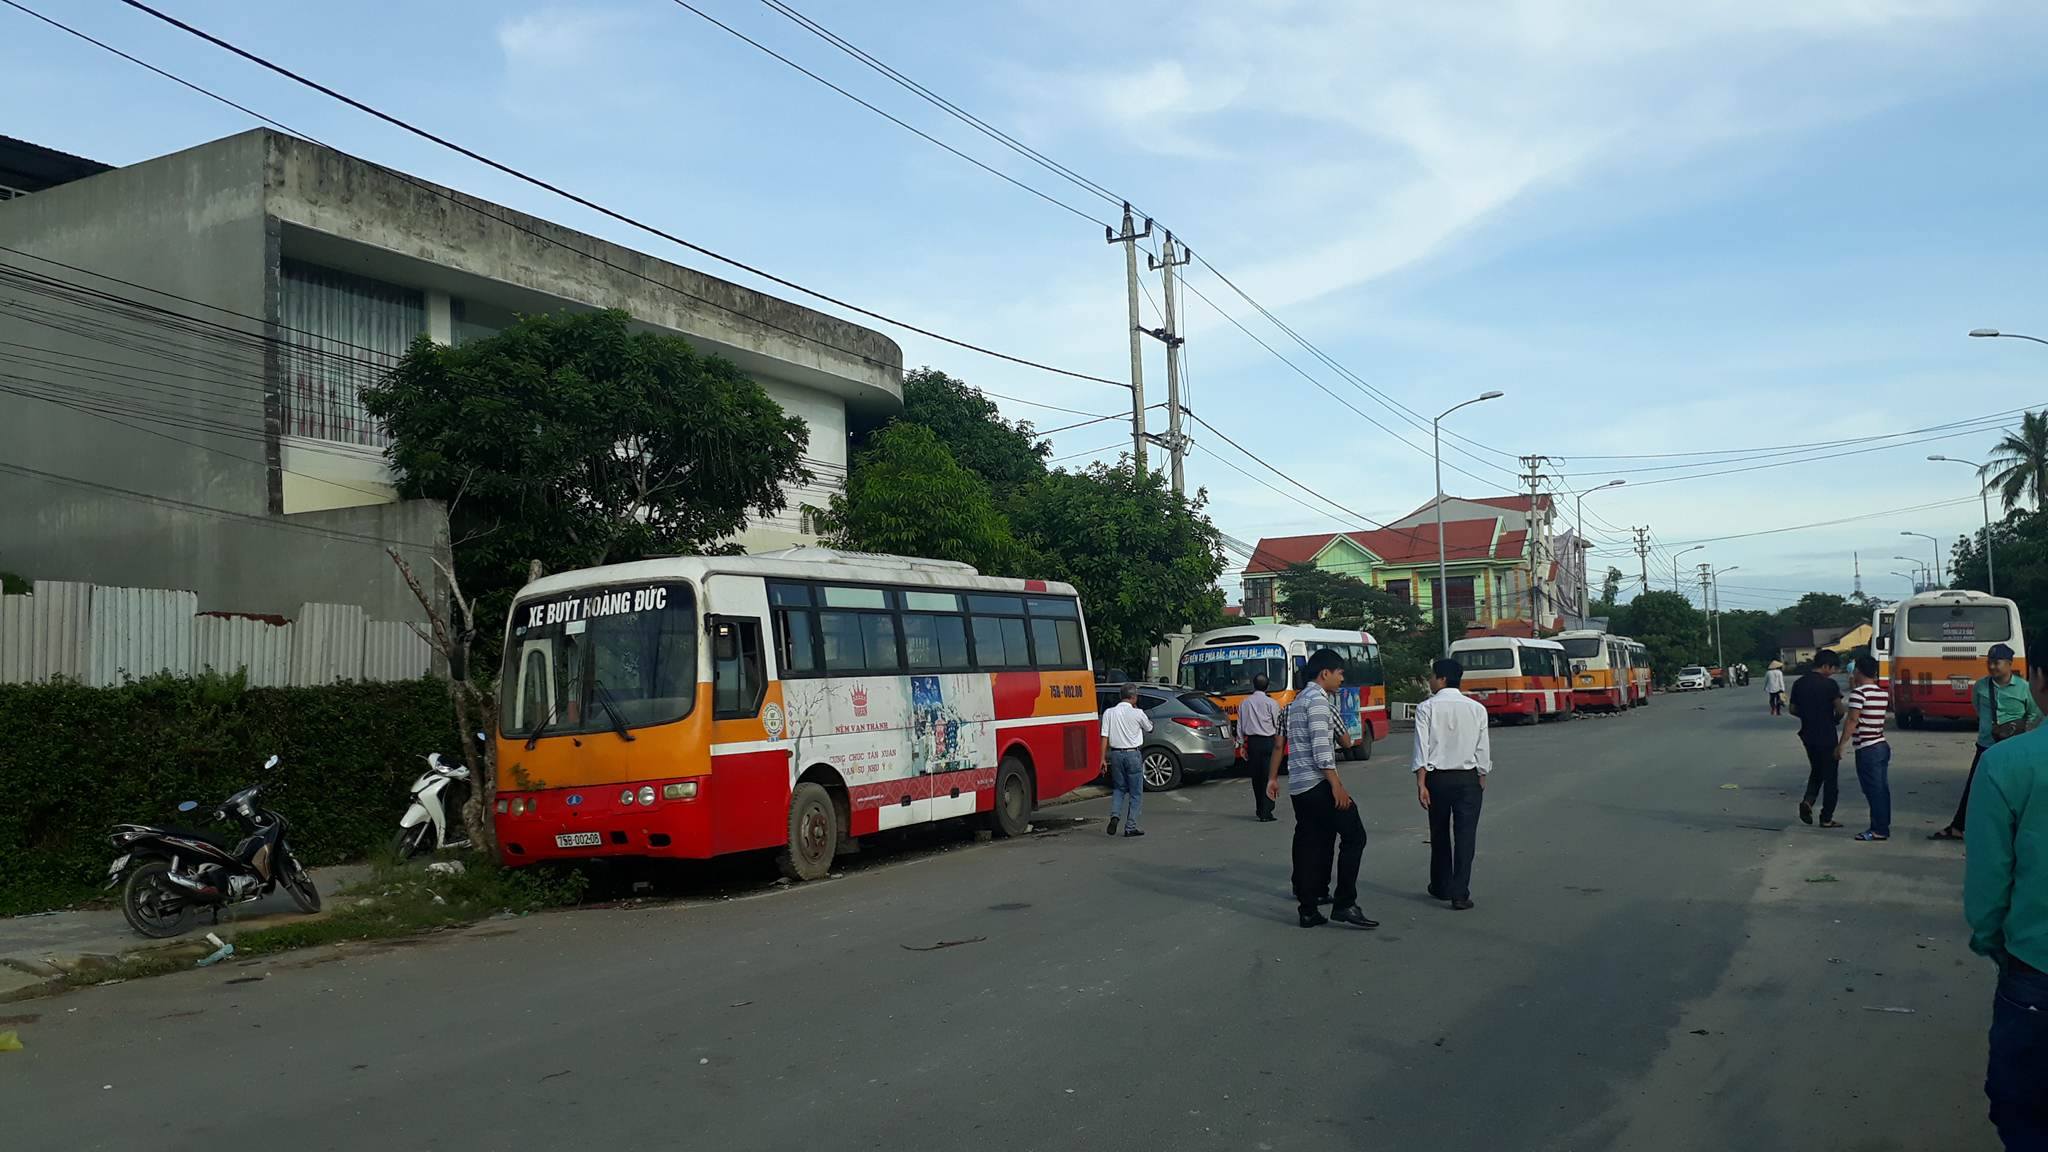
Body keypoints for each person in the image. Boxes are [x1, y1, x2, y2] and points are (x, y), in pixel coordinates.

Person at [1965, 657, 2048, 1148]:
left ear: (2036, 679)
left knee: (2026, 1111)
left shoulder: (2006, 764)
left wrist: (1996, 943)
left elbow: (1989, 884)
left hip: (2035, 969)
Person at [1266, 648, 1376, 929]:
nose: (1341, 679)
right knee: (1355, 836)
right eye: (1339, 673)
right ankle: (1345, 903)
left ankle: (1308, 909)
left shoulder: (1295, 702)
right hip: (1318, 783)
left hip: (1299, 786)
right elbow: (1321, 748)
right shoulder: (1317, 701)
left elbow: (1284, 744)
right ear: (1324, 673)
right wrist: (1336, 785)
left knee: (1308, 844)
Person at [1933, 643, 2044, 842]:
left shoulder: (2023, 688)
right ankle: (1958, 827)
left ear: (2009, 664)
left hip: (2013, 749)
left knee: (2014, 791)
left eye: (1997, 662)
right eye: (1989, 663)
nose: (1992, 667)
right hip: (1985, 746)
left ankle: (2013, 830)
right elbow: (1977, 707)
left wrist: (2019, 734)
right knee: (1974, 788)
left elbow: (2033, 714)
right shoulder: (1981, 686)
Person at [1414, 657, 1492, 910]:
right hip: (1468, 778)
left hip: (1438, 779)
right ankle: (1460, 893)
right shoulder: (1477, 709)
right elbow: (1483, 748)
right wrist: (1481, 775)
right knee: (1465, 836)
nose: (1430, 680)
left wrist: (1421, 784)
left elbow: (1421, 749)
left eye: (1432, 676)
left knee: (1439, 834)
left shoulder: (1426, 708)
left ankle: (1440, 885)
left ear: (1442, 679)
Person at [1837, 653, 1891, 842]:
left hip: (1867, 748)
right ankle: (1882, 825)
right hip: (1880, 744)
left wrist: (1841, 745)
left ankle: (1878, 829)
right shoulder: (1882, 692)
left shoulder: (1859, 694)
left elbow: (1852, 720)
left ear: (1858, 671)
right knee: (1881, 788)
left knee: (1873, 789)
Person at [1789, 650, 1846, 828]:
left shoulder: (1799, 683)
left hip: (1807, 734)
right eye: (1833, 668)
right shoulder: (1829, 685)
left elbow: (1792, 709)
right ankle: (1826, 817)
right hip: (1827, 735)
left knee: (1817, 770)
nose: (1833, 672)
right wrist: (1833, 720)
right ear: (1826, 666)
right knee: (1830, 778)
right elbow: (1840, 710)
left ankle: (1808, 801)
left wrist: (1807, 716)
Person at [1100, 684, 1151, 838]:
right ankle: (1130, 826)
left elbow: (1104, 737)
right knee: (1136, 793)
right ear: (1134, 697)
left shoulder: (1109, 713)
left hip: (1115, 754)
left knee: (1119, 789)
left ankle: (1115, 815)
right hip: (1133, 754)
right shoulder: (1138, 713)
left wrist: (1102, 758)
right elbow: (1149, 728)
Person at [1238, 674, 1281, 823]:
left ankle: (1259, 808)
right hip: (1269, 742)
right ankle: (1266, 811)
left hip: (1253, 743)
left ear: (1253, 685)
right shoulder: (1272, 703)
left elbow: (1240, 726)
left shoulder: (1245, 703)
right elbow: (1277, 725)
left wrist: (1241, 744)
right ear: (1267, 686)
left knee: (1256, 778)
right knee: (1269, 776)